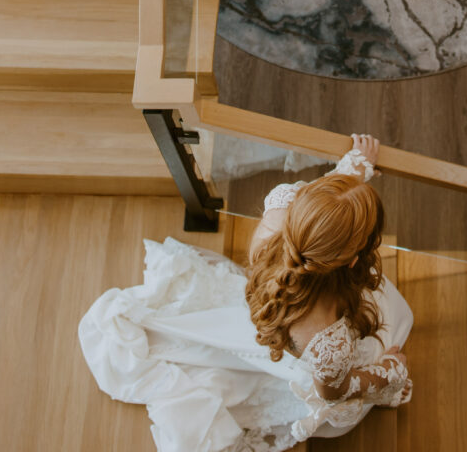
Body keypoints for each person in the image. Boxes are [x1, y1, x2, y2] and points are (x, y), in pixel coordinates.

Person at [78, 134, 413, 452]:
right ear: (353, 259)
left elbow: (313, 206)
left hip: (279, 317)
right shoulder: (328, 340)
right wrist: (386, 373)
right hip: (321, 362)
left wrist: (349, 174)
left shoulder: (281, 212)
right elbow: (334, 394)